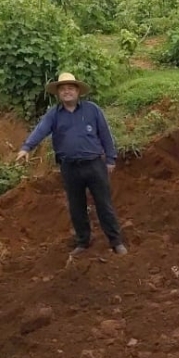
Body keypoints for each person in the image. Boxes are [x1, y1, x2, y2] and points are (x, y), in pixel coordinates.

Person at [15, 72, 128, 256]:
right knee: (76, 207)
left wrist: (110, 159)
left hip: (94, 165)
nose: (67, 92)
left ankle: (116, 241)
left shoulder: (92, 110)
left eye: (70, 88)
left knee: (104, 204)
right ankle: (83, 242)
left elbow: (105, 135)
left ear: (78, 91)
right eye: (63, 89)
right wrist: (26, 147)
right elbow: (41, 130)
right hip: (69, 167)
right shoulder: (54, 115)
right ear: (58, 93)